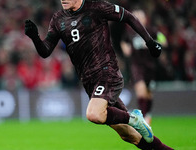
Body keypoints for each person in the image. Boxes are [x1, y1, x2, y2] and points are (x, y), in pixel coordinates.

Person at [24, 0, 173, 149]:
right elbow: (45, 51)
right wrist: (35, 37)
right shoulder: (58, 19)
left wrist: (149, 42)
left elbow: (128, 16)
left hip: (107, 73)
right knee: (129, 135)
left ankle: (134, 118)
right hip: (89, 82)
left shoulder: (96, 7)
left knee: (94, 114)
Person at [120, 9, 168, 124]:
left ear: (145, 19)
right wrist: (125, 48)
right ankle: (144, 117)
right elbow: (123, 42)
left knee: (148, 93)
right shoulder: (130, 33)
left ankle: (148, 114)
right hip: (137, 66)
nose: (137, 19)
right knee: (141, 91)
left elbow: (164, 41)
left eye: (140, 16)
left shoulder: (152, 31)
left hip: (150, 66)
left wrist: (154, 44)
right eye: (135, 16)